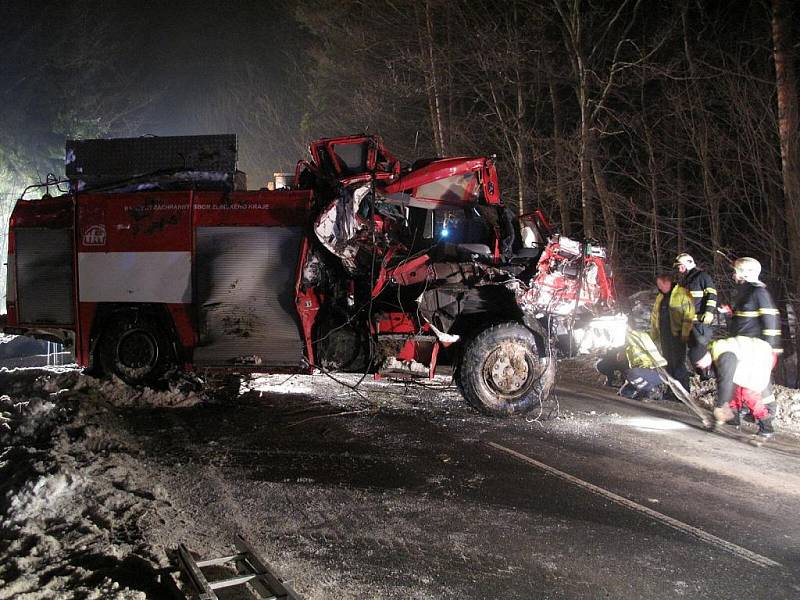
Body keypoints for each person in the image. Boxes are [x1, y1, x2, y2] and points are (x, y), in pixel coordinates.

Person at [696, 336, 776, 438]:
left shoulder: (725, 356)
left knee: (749, 392)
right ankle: (733, 419)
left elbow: (725, 383)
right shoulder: (714, 352)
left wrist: (719, 407)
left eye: (700, 363)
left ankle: (766, 426)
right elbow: (725, 384)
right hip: (751, 355)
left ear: (705, 355)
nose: (701, 366)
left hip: (762, 355)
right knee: (735, 387)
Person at [650, 274, 695, 393]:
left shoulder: (682, 293)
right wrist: (653, 335)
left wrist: (685, 333)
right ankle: (672, 391)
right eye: (658, 285)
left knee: (678, 364)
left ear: (668, 283)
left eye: (661, 284)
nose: (659, 287)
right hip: (665, 335)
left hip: (678, 335)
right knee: (668, 363)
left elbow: (689, 315)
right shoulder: (660, 297)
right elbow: (655, 317)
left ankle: (683, 391)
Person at [728, 257, 782, 355]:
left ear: (745, 274)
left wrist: (771, 347)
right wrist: (730, 312)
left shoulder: (758, 292)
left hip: (753, 349)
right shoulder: (745, 292)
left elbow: (771, 320)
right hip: (741, 346)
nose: (733, 276)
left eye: (735, 272)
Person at [597, 329, 667, 400]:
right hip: (643, 373)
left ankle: (654, 390)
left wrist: (621, 349)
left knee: (631, 373)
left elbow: (632, 371)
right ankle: (644, 390)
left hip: (656, 372)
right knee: (625, 393)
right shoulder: (628, 348)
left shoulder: (637, 338)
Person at [674, 253, 718, 366]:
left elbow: (712, 294)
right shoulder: (685, 281)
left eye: (680, 265)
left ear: (685, 265)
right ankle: (702, 376)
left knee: (702, 352)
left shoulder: (702, 276)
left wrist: (709, 312)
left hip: (700, 323)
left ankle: (710, 374)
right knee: (694, 352)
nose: (679, 269)